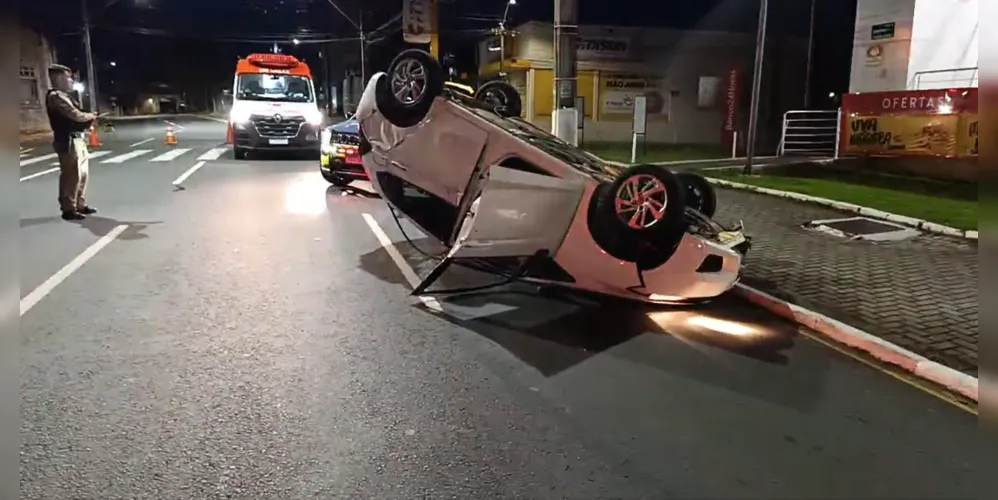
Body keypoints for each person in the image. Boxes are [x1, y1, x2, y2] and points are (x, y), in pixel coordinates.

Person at [45, 64, 98, 220]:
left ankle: (79, 204)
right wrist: (90, 116)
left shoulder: (66, 96)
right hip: (66, 140)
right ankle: (69, 208)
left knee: (82, 174)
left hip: (77, 138)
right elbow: (75, 115)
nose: (71, 81)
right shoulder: (56, 96)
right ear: (58, 78)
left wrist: (88, 118)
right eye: (68, 77)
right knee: (71, 175)